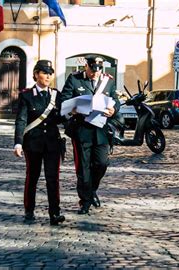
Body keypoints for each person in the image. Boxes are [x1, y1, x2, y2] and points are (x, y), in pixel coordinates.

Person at [61, 55, 120, 215]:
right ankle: (85, 201)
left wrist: (114, 110)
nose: (95, 73)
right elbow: (64, 100)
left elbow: (115, 100)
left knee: (102, 163)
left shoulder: (108, 81)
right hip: (81, 130)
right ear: (86, 66)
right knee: (83, 168)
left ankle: (92, 189)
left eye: (98, 70)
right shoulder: (74, 80)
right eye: (92, 69)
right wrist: (71, 109)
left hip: (101, 130)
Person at [13, 60, 65, 226]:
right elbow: (21, 120)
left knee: (53, 178)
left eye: (50, 72)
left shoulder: (56, 95)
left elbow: (60, 118)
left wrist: (70, 114)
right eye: (44, 72)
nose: (48, 76)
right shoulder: (26, 95)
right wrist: (18, 143)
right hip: (33, 143)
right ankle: (29, 210)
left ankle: (54, 212)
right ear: (36, 74)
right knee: (32, 177)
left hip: (52, 143)